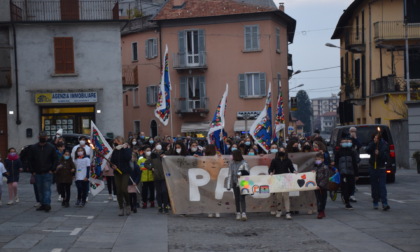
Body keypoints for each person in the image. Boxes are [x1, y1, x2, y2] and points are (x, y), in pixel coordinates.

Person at [28, 131, 58, 212]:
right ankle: (42, 204)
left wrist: (52, 169)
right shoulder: (33, 148)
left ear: (46, 138)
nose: (43, 138)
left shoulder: (51, 147)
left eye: (44, 137)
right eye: (41, 137)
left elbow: (55, 159)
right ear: (38, 137)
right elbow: (30, 160)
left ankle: (47, 204)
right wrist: (32, 171)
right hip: (37, 172)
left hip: (47, 172)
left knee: (46, 189)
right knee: (39, 190)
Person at [268, 147, 295, 220]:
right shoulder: (274, 160)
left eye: (283, 150)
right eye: (280, 150)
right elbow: (270, 168)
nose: (281, 152)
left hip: (286, 179)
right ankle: (279, 210)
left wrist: (295, 172)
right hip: (277, 180)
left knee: (286, 196)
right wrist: (270, 172)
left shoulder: (288, 160)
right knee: (278, 197)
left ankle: (287, 212)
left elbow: (292, 168)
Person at [366, 133, 390, 211]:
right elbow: (368, 150)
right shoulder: (372, 144)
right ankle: (375, 202)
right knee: (374, 186)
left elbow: (386, 157)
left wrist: (379, 154)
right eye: (374, 138)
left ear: (379, 138)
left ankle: (384, 203)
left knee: (382, 186)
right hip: (373, 167)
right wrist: (373, 144)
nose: (375, 139)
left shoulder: (384, 145)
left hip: (381, 168)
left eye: (376, 138)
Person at [334, 134, 358, 210]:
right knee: (345, 187)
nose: (345, 143)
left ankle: (348, 197)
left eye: (346, 142)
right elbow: (336, 162)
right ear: (341, 143)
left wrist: (356, 174)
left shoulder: (351, 152)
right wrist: (337, 168)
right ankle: (347, 202)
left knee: (351, 187)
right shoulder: (338, 152)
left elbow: (354, 163)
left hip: (351, 172)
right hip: (343, 172)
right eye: (343, 142)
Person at [110, 136, 132, 216]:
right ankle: (121, 207)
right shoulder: (115, 150)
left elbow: (128, 158)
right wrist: (113, 165)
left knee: (124, 189)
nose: (115, 142)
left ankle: (128, 204)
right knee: (118, 190)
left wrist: (124, 148)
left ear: (120, 141)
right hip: (117, 172)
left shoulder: (127, 149)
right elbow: (112, 161)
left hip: (125, 172)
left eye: (116, 141)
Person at [145, 142, 169, 214]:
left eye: (159, 144)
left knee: (164, 191)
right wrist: (151, 168)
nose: (158, 146)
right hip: (156, 176)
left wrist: (165, 156)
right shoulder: (152, 155)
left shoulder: (165, 153)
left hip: (165, 176)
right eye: (157, 145)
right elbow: (146, 164)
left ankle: (166, 206)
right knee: (159, 192)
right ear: (155, 147)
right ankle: (160, 206)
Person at [227, 150, 249, 221]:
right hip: (234, 182)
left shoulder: (244, 163)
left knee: (242, 197)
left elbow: (247, 173)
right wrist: (228, 185)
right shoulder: (232, 164)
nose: (231, 157)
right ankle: (238, 212)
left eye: (232, 155)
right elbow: (230, 174)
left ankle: (244, 213)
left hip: (242, 183)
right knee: (236, 198)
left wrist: (241, 173)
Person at [313, 152, 331, 219]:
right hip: (316, 185)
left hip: (323, 186)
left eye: (319, 159)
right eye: (316, 159)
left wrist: (320, 185)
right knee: (318, 199)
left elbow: (326, 177)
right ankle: (320, 211)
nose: (317, 160)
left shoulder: (325, 167)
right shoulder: (315, 167)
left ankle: (321, 211)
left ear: (322, 159)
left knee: (323, 199)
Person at [349, 126, 362, 203]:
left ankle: (352, 193)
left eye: (354, 131)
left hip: (355, 160)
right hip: (348, 159)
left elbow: (360, 145)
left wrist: (355, 138)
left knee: (354, 175)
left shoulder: (357, 138)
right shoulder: (347, 138)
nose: (353, 133)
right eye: (352, 131)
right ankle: (349, 192)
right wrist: (351, 138)